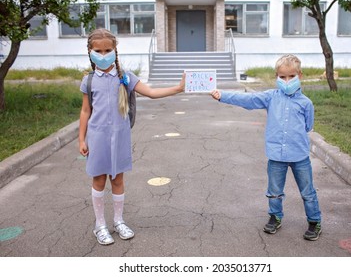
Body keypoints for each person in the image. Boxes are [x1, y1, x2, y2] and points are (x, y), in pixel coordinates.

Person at [79, 28, 185, 245]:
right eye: (98, 50)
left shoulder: (125, 77)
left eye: (108, 49)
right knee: (99, 179)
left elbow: (152, 93)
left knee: (118, 179)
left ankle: (118, 221)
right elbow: (85, 111)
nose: (103, 54)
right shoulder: (88, 81)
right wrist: (82, 139)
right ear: (90, 51)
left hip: (120, 137)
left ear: (115, 50)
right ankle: (100, 225)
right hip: (97, 138)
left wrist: (178, 88)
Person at [211, 54, 322, 241]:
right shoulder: (271, 97)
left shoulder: (306, 103)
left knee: (308, 191)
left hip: (299, 157)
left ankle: (314, 221)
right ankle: (275, 217)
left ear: (300, 76)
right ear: (276, 77)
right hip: (276, 156)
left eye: (291, 76)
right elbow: (248, 100)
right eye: (282, 76)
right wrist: (222, 95)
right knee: (274, 191)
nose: (287, 80)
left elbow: (307, 126)